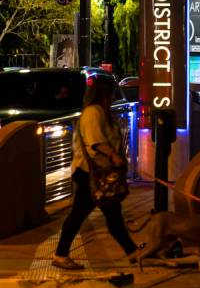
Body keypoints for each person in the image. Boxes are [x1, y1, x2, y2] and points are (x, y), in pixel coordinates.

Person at [52, 74, 138, 270]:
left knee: (110, 213)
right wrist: (114, 156)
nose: (115, 96)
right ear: (104, 94)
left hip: (97, 172)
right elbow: (95, 141)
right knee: (85, 214)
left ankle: (133, 252)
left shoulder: (100, 111)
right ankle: (60, 254)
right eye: (113, 92)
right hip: (90, 172)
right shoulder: (93, 113)